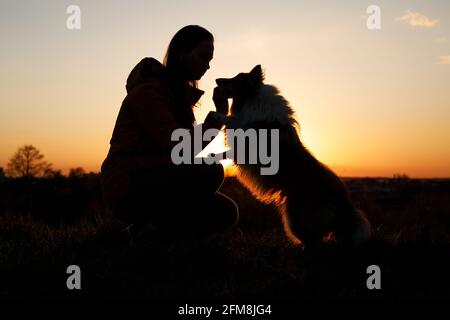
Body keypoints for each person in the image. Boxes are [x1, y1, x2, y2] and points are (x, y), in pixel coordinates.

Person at [100, 25, 239, 247]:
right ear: (182, 53)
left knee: (226, 212)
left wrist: (219, 116)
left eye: (210, 59)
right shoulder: (149, 92)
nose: (208, 65)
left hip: (157, 179)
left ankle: (146, 233)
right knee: (209, 171)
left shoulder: (177, 95)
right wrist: (218, 118)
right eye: (203, 57)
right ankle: (148, 237)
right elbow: (179, 147)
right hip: (128, 184)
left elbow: (183, 151)